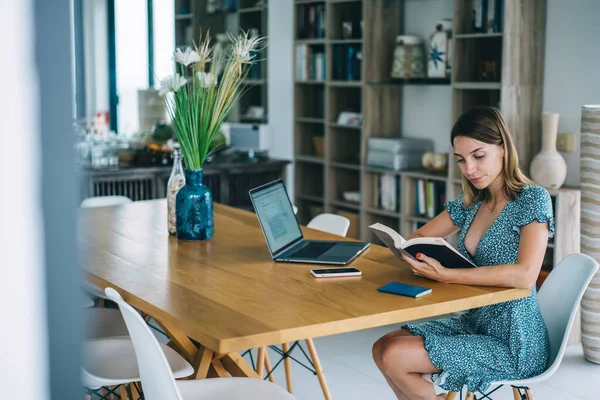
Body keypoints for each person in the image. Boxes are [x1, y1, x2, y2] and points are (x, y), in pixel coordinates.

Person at [372, 106, 554, 400]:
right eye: (461, 160)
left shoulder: (532, 199)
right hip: (476, 322)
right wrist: (412, 253)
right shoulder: (471, 202)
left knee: (394, 354)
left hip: (514, 341)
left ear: (503, 149)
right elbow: (418, 238)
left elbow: (525, 275)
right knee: (382, 346)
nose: (469, 169)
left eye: (478, 156)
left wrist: (447, 275)